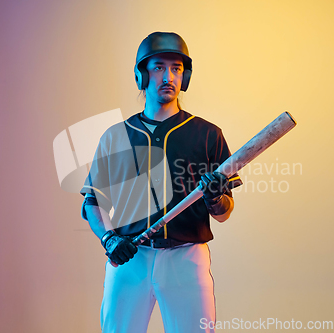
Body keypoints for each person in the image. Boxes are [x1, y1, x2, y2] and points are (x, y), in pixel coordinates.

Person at [80, 32, 242, 333]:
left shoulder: (207, 134)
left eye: (176, 68)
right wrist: (109, 239)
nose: (168, 76)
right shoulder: (117, 136)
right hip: (130, 257)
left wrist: (215, 199)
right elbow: (92, 202)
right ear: (142, 74)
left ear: (185, 76)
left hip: (187, 257)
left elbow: (224, 213)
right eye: (158, 67)